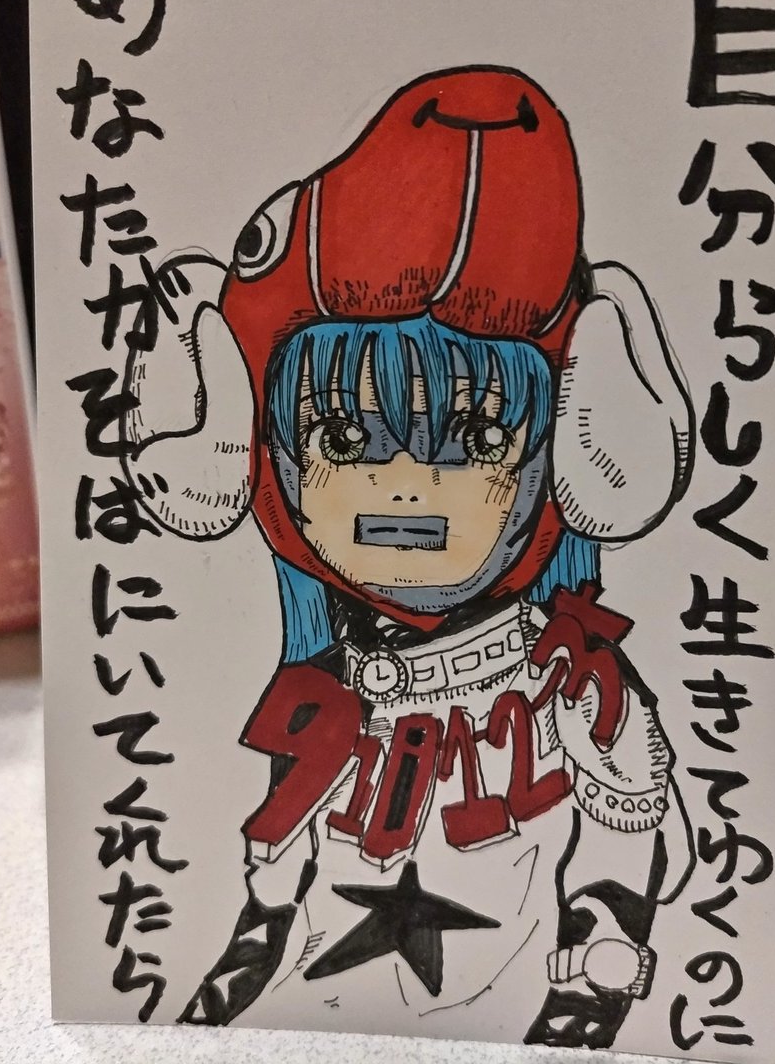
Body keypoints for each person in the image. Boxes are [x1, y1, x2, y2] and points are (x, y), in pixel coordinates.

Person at [126, 67, 695, 1048]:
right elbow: (274, 887)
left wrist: (590, 986)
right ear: (263, 452)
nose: (404, 488)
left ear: (564, 452)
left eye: (475, 440)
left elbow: (625, 845)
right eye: (344, 439)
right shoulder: (322, 695)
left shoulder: (575, 687)